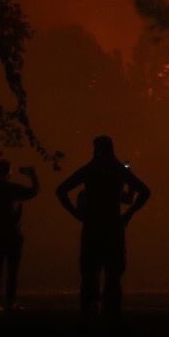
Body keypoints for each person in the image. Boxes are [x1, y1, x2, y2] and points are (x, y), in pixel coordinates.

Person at [55, 136, 150, 318]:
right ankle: (111, 315)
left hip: (92, 227)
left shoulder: (90, 170)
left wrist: (76, 214)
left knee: (90, 274)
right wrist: (128, 214)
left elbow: (61, 190)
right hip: (113, 228)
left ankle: (89, 314)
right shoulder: (117, 170)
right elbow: (143, 192)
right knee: (113, 276)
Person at [0, 159, 39, 310]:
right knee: (12, 271)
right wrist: (33, 175)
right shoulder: (13, 189)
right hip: (12, 235)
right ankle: (10, 302)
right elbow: (34, 191)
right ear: (10, 171)